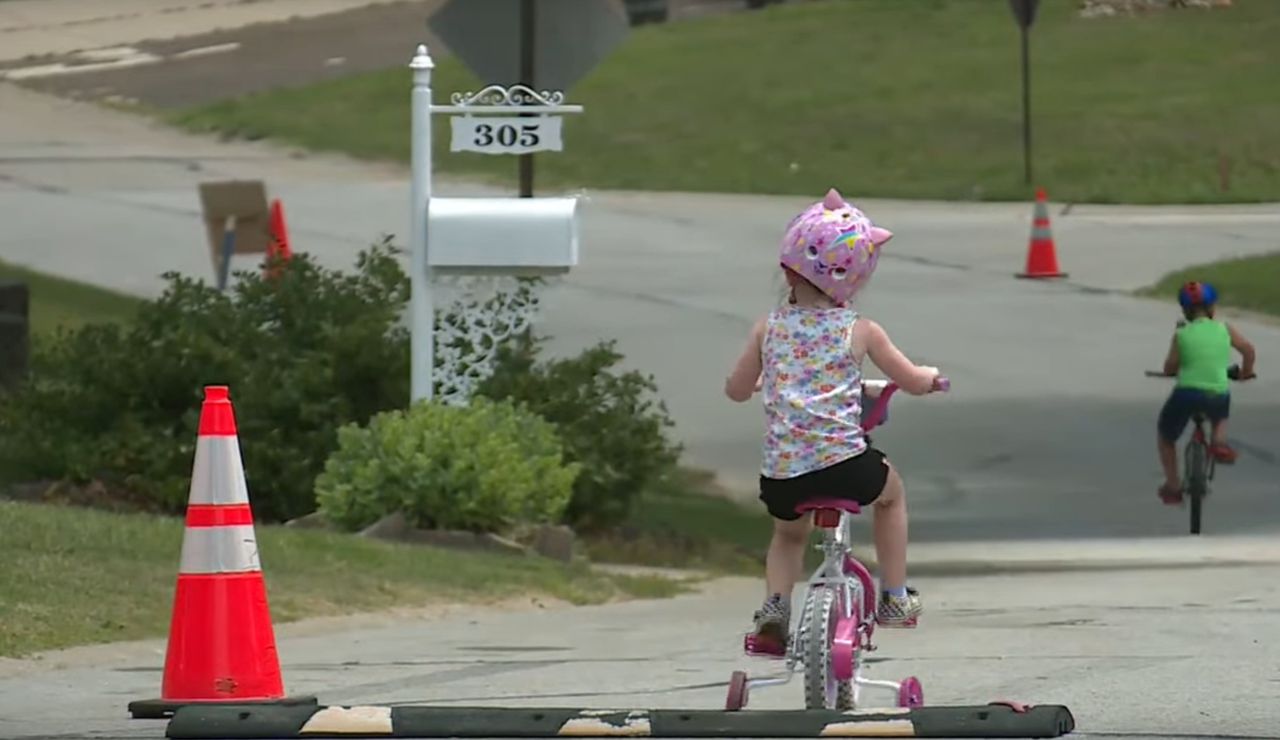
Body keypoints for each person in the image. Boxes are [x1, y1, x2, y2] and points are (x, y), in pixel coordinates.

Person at [723, 188, 943, 654]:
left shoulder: (768, 328)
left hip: (782, 476)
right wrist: (927, 379)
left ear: (787, 266)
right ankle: (895, 597)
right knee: (892, 495)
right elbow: (911, 378)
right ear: (857, 277)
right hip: (846, 464)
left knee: (787, 534)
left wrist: (758, 383)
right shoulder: (860, 330)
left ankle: (775, 608)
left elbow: (738, 390)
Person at [1155, 280, 1256, 505]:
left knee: (1166, 437)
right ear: (1212, 308)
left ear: (1185, 311)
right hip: (1216, 393)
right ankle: (1219, 443)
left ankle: (1173, 486)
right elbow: (1248, 349)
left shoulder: (1181, 333)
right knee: (1220, 409)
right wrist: (1246, 373)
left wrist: (1174, 370)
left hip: (1186, 393)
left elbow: (1169, 367)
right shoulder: (1224, 328)